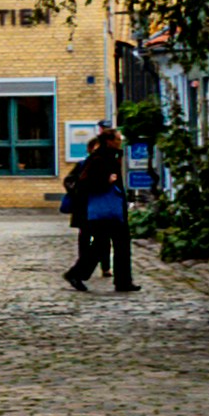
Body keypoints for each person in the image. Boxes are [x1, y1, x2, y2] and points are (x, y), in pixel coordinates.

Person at [63, 124, 138, 295]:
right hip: (103, 211)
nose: (120, 142)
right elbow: (83, 184)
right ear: (109, 141)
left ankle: (123, 281)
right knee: (102, 245)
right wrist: (106, 181)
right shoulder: (99, 159)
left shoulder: (113, 156)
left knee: (121, 244)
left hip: (114, 209)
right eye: (117, 139)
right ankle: (76, 274)